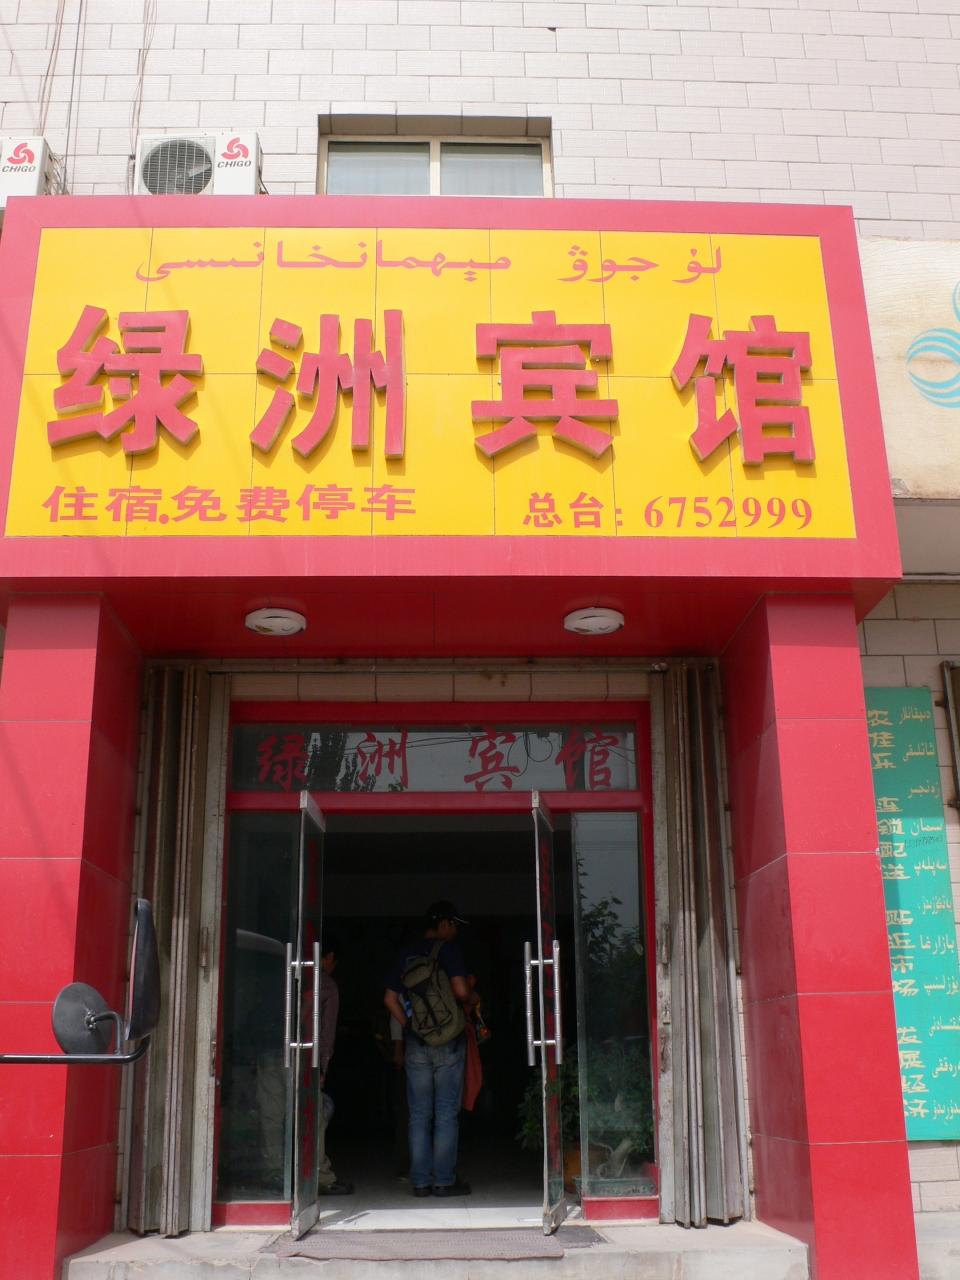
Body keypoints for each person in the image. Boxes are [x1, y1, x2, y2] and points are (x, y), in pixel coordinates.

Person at [383, 901, 478, 1198]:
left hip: (417, 1043)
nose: (456, 931)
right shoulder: (449, 951)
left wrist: (410, 1026)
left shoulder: (406, 954)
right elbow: (461, 991)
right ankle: (444, 1180)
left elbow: (389, 999)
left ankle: (421, 1182)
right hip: (448, 1041)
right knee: (446, 1113)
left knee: (419, 1114)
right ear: (444, 924)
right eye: (455, 925)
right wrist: (473, 997)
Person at [316, 934, 354, 1196]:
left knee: (273, 1117)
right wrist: (322, 1067)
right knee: (316, 1116)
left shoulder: (287, 975)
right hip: (307, 1061)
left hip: (272, 1056)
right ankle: (321, 1176)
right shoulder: (327, 985)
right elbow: (326, 1033)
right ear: (329, 958)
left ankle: (274, 1175)